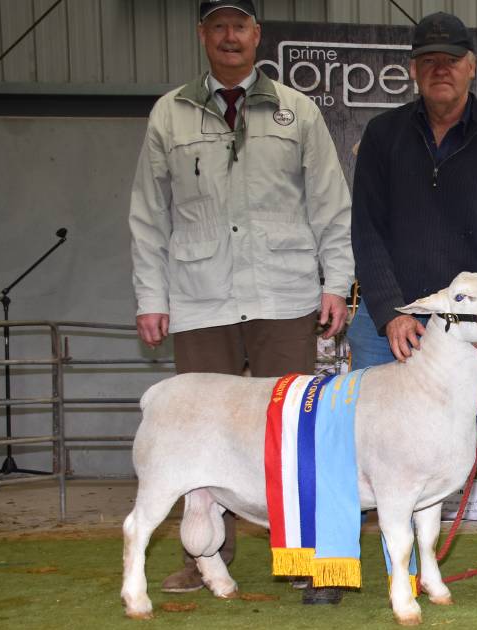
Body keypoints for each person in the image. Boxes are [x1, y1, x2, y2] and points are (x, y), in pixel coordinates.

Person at [128, 0, 353, 605]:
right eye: (218, 26)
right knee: (195, 434)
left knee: (292, 433)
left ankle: (307, 558)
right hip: (201, 300)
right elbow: (149, 216)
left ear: (257, 35)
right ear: (203, 35)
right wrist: (152, 296)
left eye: (240, 25)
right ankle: (203, 557)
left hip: (284, 295)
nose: (230, 36)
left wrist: (337, 283)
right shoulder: (168, 115)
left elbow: (331, 204)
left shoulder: (296, 110)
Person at [347, 12, 477, 613]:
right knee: (351, 446)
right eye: (428, 60)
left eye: (451, 59)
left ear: (471, 66)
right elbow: (367, 232)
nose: (441, 69)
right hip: (392, 326)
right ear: (413, 70)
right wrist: (387, 311)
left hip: (471, 335)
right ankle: (350, 568)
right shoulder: (382, 138)